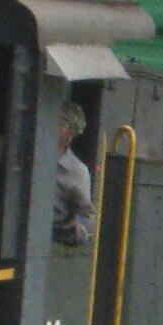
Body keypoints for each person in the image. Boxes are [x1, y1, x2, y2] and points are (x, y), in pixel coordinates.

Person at [52, 100, 96, 246]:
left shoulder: (77, 171)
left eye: (61, 123)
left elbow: (87, 219)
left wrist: (76, 228)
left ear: (70, 134)